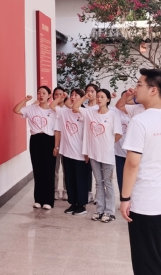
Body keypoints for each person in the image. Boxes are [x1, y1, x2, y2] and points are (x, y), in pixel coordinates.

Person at [119, 69, 161, 275]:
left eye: (140, 84)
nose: (135, 88)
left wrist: (125, 198)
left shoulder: (140, 122)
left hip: (148, 206)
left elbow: (132, 164)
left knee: (148, 264)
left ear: (153, 90)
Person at [73, 89, 122, 223]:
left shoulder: (113, 115)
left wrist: (107, 144)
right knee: (99, 183)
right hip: (94, 153)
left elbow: (118, 134)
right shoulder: (90, 112)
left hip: (107, 155)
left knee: (108, 183)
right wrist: (85, 96)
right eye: (98, 96)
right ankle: (100, 210)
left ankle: (109, 212)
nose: (99, 99)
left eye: (102, 97)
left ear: (108, 99)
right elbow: (75, 107)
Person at [13, 86, 62, 210]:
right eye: (39, 93)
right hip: (35, 140)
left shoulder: (54, 111)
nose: (41, 95)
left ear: (49, 95)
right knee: (37, 170)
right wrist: (25, 100)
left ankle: (48, 201)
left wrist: (56, 146)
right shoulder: (31, 109)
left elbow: (57, 130)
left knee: (49, 171)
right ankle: (38, 199)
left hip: (49, 140)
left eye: (44, 93)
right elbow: (16, 110)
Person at [51, 88, 91, 215]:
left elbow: (88, 134)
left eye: (76, 95)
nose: (73, 97)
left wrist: (87, 151)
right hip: (67, 152)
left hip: (80, 153)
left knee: (80, 180)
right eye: (72, 95)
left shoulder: (85, 112)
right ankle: (73, 203)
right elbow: (52, 105)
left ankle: (82, 205)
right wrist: (61, 97)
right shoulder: (64, 112)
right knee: (69, 179)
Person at [113, 92, 145, 195]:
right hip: (119, 151)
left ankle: (133, 199)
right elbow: (118, 105)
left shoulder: (140, 109)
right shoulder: (118, 111)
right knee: (121, 178)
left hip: (135, 152)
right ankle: (123, 198)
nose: (130, 99)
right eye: (126, 97)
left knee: (135, 179)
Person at [52, 87, 69, 200]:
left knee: (66, 168)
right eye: (56, 94)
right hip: (54, 141)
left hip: (67, 142)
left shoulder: (68, 109)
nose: (58, 96)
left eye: (61, 94)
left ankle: (66, 190)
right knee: (55, 168)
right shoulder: (51, 108)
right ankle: (55, 190)